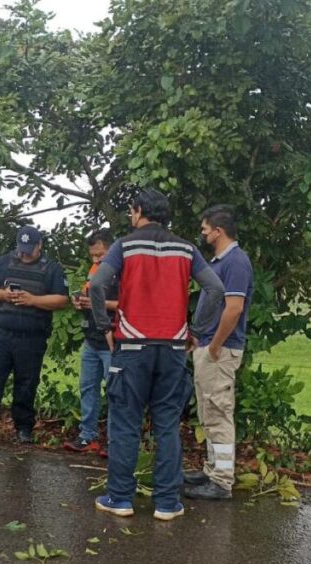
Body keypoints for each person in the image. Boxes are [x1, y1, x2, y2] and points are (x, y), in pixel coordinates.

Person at [89, 189, 224, 521]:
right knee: (167, 425)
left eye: (131, 211)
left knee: (125, 424)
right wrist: (196, 330)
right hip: (173, 349)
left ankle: (120, 497)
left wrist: (105, 326)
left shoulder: (124, 246)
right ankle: (167, 503)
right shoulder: (187, 249)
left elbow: (97, 285)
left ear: (138, 211)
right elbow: (215, 289)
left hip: (132, 348)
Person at [0, 225, 68, 446]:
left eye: (29, 250)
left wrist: (33, 300)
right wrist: (3, 295)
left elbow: (62, 300)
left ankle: (23, 429)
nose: (24, 254)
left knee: (26, 384)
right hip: (2, 334)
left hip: (32, 337)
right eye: (21, 249)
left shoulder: (51, 268)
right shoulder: (4, 262)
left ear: (39, 245)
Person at [183, 205, 254, 500]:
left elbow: (234, 308)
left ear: (218, 231)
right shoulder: (220, 262)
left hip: (220, 349)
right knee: (209, 412)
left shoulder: (236, 262)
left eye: (205, 229)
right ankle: (212, 470)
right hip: (209, 346)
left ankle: (222, 481)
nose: (203, 234)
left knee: (219, 412)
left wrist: (214, 345)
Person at [65, 229, 119, 454]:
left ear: (112, 249)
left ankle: (114, 441)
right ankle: (88, 436)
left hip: (112, 340)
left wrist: (98, 303)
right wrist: (80, 302)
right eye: (93, 255)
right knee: (88, 388)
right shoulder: (94, 270)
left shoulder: (122, 271)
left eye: (100, 254)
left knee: (115, 391)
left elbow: (127, 304)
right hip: (91, 338)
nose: (96, 259)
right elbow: (87, 296)